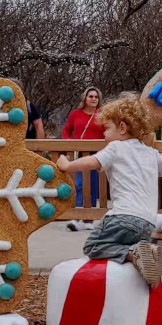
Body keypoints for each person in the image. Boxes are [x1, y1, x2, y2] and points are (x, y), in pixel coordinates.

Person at [56, 97, 162, 287]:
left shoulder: (115, 147)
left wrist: (66, 165)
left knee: (93, 246)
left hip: (121, 217)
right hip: (148, 222)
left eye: (107, 128)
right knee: (123, 241)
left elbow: (90, 163)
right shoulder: (151, 153)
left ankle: (132, 253)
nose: (104, 134)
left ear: (122, 128)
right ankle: (143, 250)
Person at [63, 86, 105, 232]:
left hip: (96, 154)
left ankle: (89, 218)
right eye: (91, 96)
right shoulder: (76, 114)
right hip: (80, 153)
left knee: (92, 186)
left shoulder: (102, 115)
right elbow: (66, 130)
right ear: (85, 99)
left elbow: (108, 132)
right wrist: (68, 142)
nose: (93, 99)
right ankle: (77, 216)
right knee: (79, 184)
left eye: (96, 97)